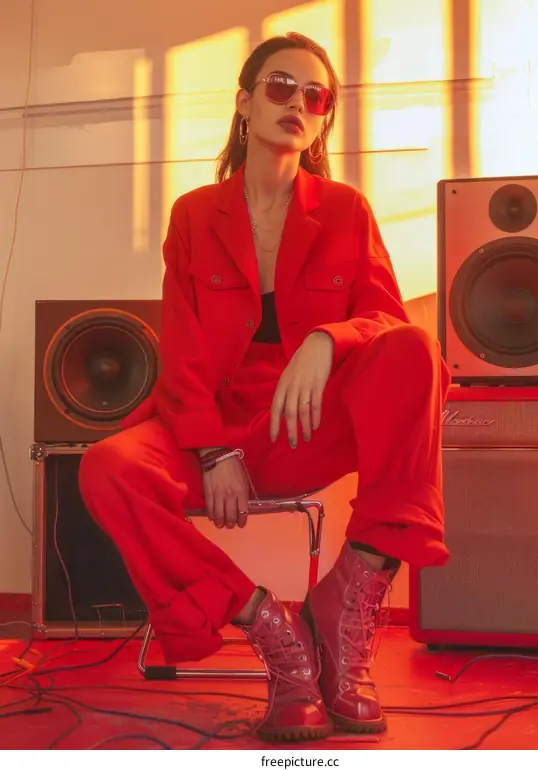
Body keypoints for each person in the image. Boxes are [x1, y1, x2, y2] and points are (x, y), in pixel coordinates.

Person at [79, 32, 451, 743]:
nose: (299, 104)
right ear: (245, 103)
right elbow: (184, 350)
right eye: (281, 87)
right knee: (107, 467)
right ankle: (272, 627)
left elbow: (384, 319)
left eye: (317, 97)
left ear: (321, 121)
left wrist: (326, 339)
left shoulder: (345, 209)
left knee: (415, 351)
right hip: (210, 428)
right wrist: (214, 450)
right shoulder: (193, 215)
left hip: (301, 426)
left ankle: (347, 600)